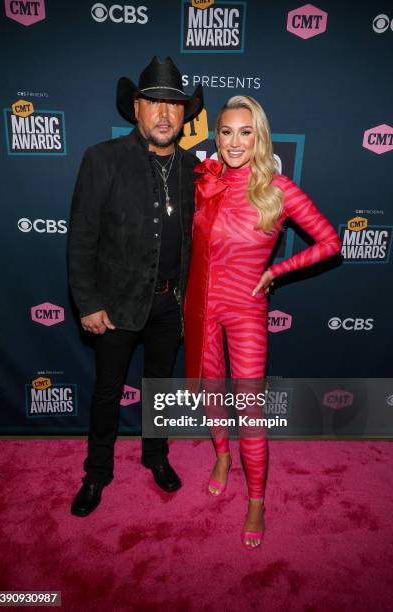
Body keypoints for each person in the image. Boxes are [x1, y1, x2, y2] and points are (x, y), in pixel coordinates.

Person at [184, 95, 341, 549]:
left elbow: (330, 242)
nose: (235, 142)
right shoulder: (206, 182)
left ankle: (256, 500)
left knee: (250, 408)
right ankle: (220, 454)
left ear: (260, 136)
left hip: (246, 308)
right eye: (227, 132)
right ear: (217, 136)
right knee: (211, 387)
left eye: (245, 132)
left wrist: (276, 271)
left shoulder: (279, 188)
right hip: (202, 306)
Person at [68, 57, 203, 517]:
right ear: (137, 108)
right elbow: (82, 236)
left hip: (171, 302)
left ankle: (156, 457)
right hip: (115, 304)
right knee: (108, 391)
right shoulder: (101, 158)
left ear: (184, 116)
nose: (164, 115)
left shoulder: (194, 168)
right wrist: (87, 301)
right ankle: (96, 472)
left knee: (159, 387)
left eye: (173, 105)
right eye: (154, 104)